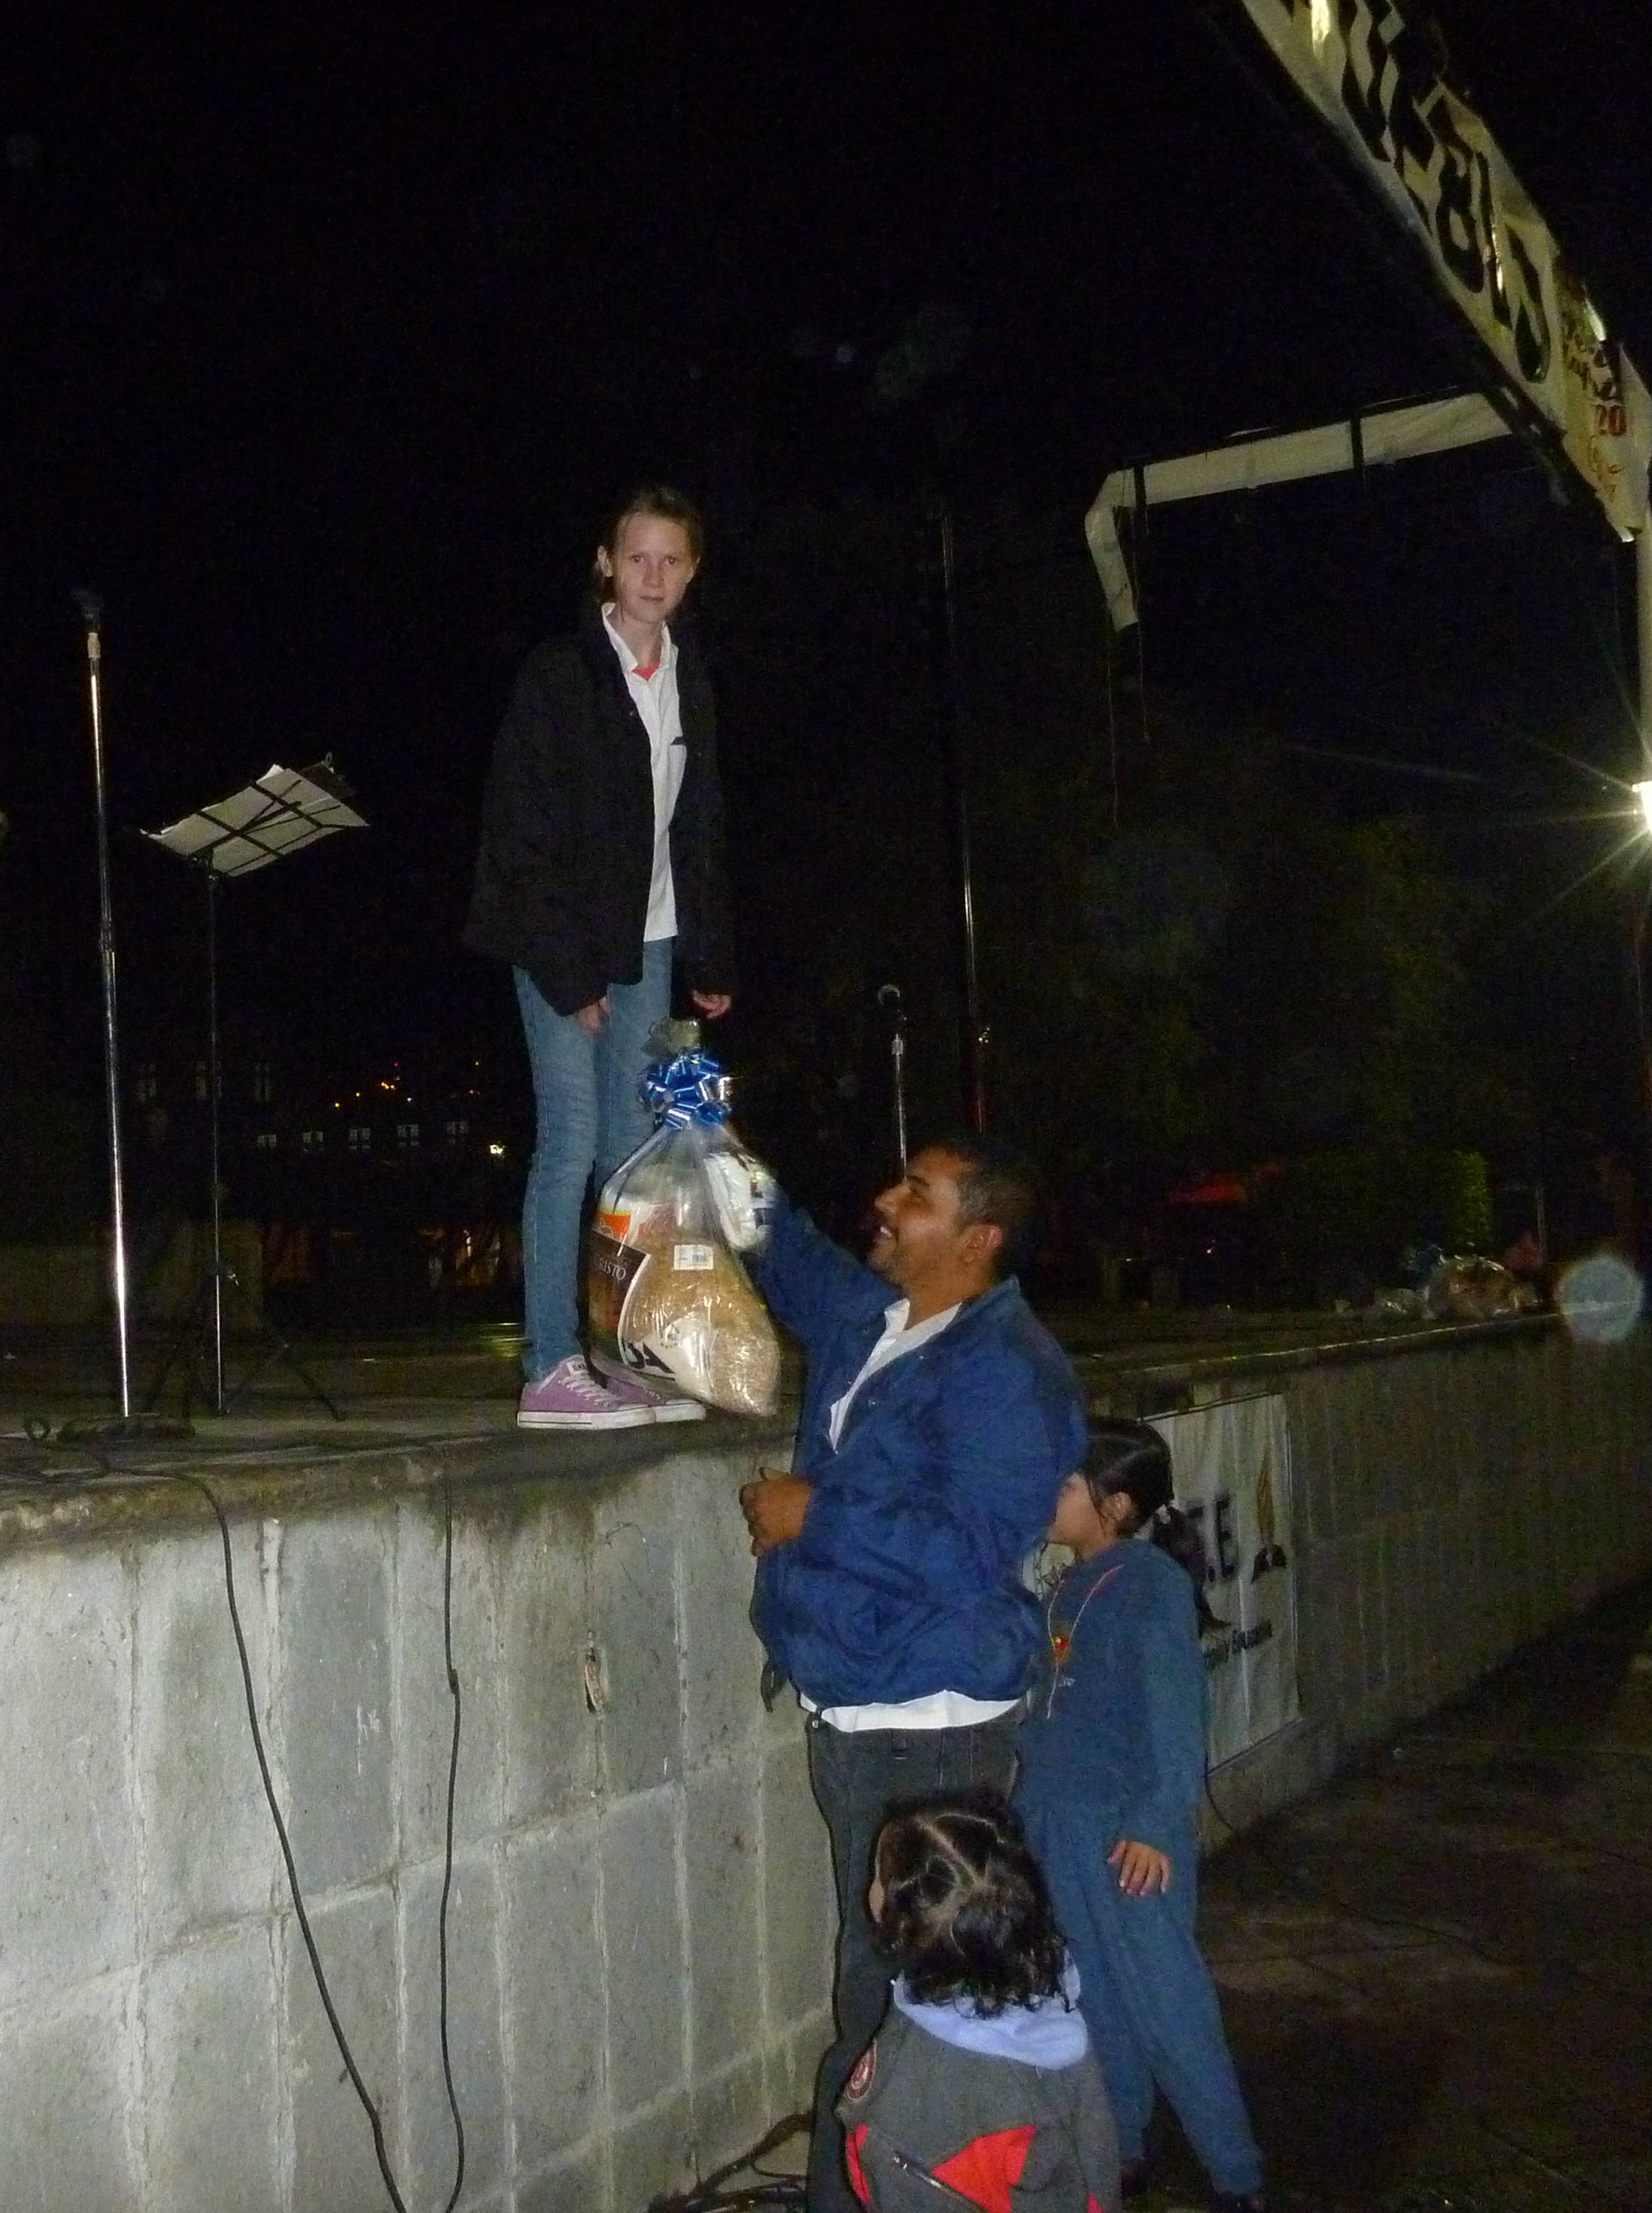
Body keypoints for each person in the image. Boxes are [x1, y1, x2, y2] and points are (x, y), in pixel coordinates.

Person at [738, 1133, 1086, 2213]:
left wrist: (815, 1516)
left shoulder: (1008, 1370)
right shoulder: (880, 1319)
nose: (886, 1200)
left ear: (977, 1239)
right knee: (884, 1974)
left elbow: (975, 1551)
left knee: (892, 1990)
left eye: (917, 1194)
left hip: (929, 1718)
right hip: (862, 1697)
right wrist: (705, 1138)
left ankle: (892, 2185)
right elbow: (784, 1249)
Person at [464, 485, 737, 1430]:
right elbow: (518, 831)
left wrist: (710, 955)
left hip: (647, 938)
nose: (652, 577)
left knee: (633, 1154)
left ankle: (618, 1355)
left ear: (691, 571)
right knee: (571, 1139)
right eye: (636, 559)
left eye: (671, 560)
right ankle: (547, 1363)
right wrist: (569, 974)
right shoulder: (561, 674)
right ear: (606, 565)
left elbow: (697, 823)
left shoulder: (687, 675)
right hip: (560, 941)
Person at [1013, 1419, 1266, 2213]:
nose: (1048, 1494)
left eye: (1065, 1484)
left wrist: (1156, 1823)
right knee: (1093, 1996)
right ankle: (1120, 2146)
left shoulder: (1148, 1585)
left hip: (1125, 1838)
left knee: (1167, 2004)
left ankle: (1236, 2173)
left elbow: (1174, 1714)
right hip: (1060, 1827)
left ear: (1115, 1505)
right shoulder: (1071, 1584)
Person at [835, 1790, 1125, 2213]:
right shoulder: (1051, 2010)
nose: (870, 1887)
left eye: (878, 1877)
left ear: (908, 1922)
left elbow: (885, 2168)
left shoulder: (913, 2094)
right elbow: (1095, 2169)